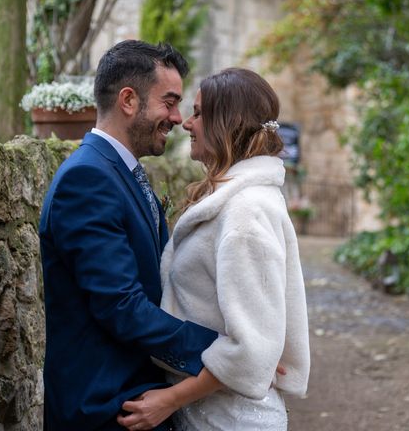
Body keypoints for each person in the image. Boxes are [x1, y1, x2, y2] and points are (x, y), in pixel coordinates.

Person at [39, 40, 219, 430]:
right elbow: (121, 305)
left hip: (132, 399)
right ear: (128, 100)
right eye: (169, 102)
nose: (177, 118)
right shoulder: (87, 179)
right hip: (103, 405)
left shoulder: (119, 172)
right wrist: (222, 351)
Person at [117, 68, 311, 431]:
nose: (187, 123)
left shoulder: (245, 212)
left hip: (231, 419)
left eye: (199, 112)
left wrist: (168, 401)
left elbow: (253, 351)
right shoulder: (235, 201)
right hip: (215, 411)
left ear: (230, 122)